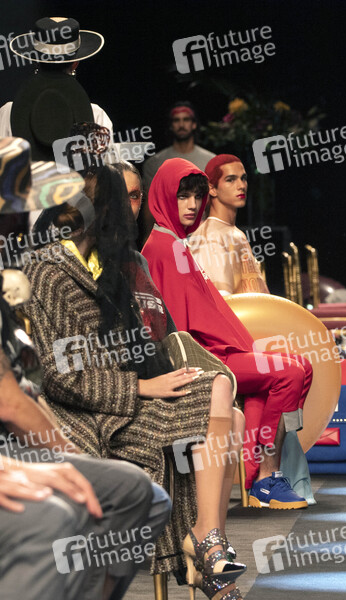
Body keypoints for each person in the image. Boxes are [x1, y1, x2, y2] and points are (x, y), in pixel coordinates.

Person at [24, 165, 248, 599]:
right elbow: (60, 377)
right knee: (219, 402)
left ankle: (209, 542)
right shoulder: (49, 270)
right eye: (121, 201)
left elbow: (150, 338)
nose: (131, 213)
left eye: (135, 198)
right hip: (90, 414)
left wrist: (160, 372)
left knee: (223, 394)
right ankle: (209, 554)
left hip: (129, 396)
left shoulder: (112, 262)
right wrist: (143, 387)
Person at [0, 139, 169, 600]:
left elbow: (19, 389)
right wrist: (67, 457)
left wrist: (66, 458)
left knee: (145, 496)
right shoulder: (43, 268)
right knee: (60, 515)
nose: (23, 219)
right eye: (16, 209)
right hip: (38, 428)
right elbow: (15, 399)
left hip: (31, 434)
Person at [141, 157, 313, 509]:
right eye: (182, 196)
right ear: (163, 196)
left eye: (197, 196)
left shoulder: (177, 243)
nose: (192, 205)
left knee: (301, 367)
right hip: (205, 359)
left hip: (218, 350)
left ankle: (260, 470)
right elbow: (175, 330)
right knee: (289, 373)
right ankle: (264, 475)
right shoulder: (162, 248)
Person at [1, 17, 113, 156]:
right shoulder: (98, 117)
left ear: (35, 62)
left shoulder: (6, 114)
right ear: (75, 63)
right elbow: (106, 167)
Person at [189, 154, 268, 294]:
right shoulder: (211, 237)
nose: (241, 186)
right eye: (230, 180)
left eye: (243, 178)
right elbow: (221, 298)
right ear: (212, 188)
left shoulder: (233, 232)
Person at [142, 102, 215, 188]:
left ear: (194, 124)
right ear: (171, 126)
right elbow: (150, 196)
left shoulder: (211, 161)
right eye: (176, 120)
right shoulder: (154, 163)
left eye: (186, 119)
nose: (181, 125)